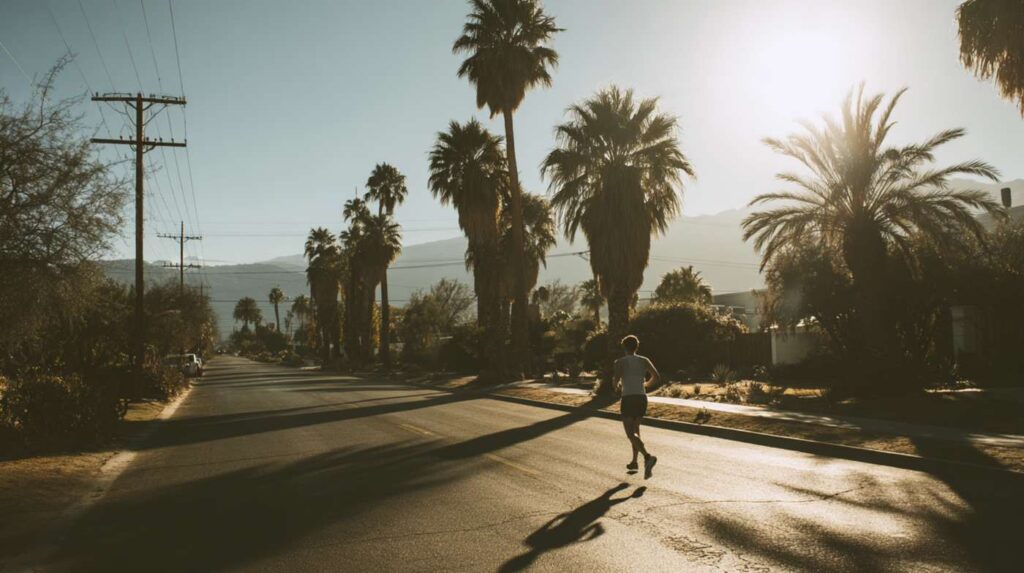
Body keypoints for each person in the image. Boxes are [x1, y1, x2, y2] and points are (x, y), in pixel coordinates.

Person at [613, 334, 660, 478]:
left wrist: (617, 387)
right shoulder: (644, 360)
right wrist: (645, 385)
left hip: (628, 398)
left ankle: (647, 457)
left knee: (629, 433)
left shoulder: (620, 362)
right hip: (641, 397)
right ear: (637, 346)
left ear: (624, 347)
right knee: (635, 430)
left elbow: (615, 382)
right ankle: (634, 461)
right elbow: (656, 377)